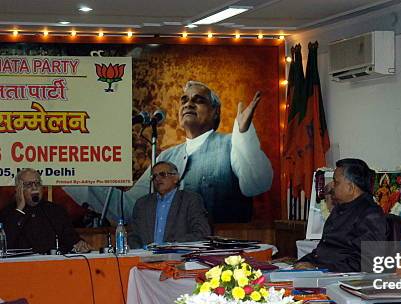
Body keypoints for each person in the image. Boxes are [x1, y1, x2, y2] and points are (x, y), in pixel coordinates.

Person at [65, 80, 273, 224]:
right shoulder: (165, 157)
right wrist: (67, 174)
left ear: (215, 112)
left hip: (222, 257)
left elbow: (257, 182)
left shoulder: (231, 144)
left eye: (198, 100)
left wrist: (244, 133)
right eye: (184, 100)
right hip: (172, 258)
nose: (188, 103)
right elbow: (130, 207)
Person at [295, 158, 387, 273]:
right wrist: (298, 264)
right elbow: (323, 250)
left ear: (351, 187)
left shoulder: (370, 213)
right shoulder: (339, 208)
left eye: (336, 182)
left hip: (343, 279)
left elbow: (367, 262)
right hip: (323, 272)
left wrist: (320, 270)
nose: (332, 186)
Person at [0, 169, 91, 254]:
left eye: (37, 183)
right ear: (18, 189)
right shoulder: (8, 213)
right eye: (29, 184)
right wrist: (19, 210)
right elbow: (4, 244)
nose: (34, 187)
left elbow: (71, 239)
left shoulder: (55, 211)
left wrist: (80, 244)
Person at [128, 161, 211, 249]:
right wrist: (140, 253)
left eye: (163, 174)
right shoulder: (142, 203)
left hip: (178, 257)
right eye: (154, 176)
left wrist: (171, 246)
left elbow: (202, 233)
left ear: (176, 178)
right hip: (145, 258)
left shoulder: (190, 200)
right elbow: (133, 236)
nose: (157, 179)